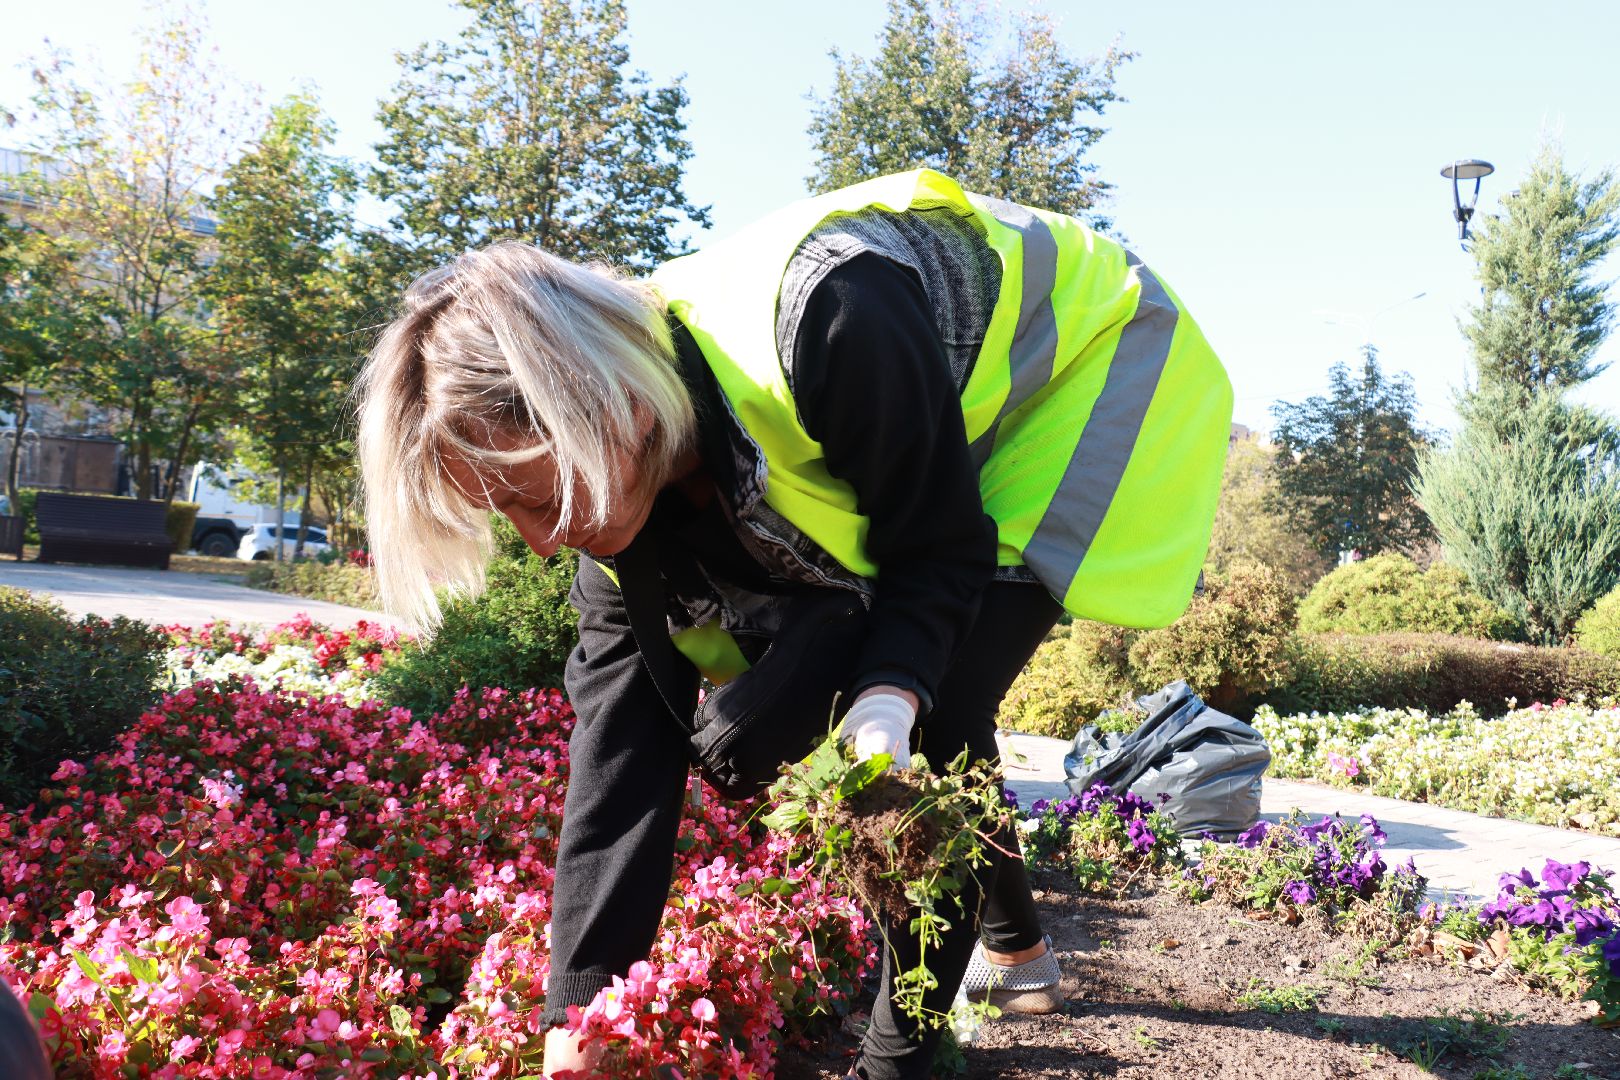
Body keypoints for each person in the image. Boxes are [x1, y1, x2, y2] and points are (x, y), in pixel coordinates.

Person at [357, 168, 1232, 1079]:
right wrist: (581, 1011)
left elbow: (936, 549)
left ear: (616, 407)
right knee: (854, 703)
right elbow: (620, 755)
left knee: (941, 709)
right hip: (935, 405)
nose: (543, 544)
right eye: (515, 518)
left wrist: (891, 691)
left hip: (1090, 359)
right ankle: (1021, 953)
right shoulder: (617, 490)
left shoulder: (834, 318)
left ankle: (900, 1061)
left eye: (543, 499)